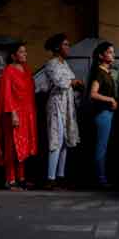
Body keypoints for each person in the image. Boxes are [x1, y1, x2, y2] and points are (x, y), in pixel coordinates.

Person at [0, 43, 37, 190]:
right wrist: (13, 114)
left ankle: (21, 178)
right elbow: (7, 94)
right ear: (13, 56)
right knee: (12, 147)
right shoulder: (8, 71)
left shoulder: (26, 70)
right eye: (21, 52)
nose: (25, 54)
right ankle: (10, 179)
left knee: (24, 146)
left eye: (25, 51)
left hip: (26, 114)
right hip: (12, 114)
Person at [43, 34, 82, 187]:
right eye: (65, 44)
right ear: (57, 47)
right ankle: (50, 177)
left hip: (67, 104)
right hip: (56, 104)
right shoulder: (51, 64)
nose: (68, 47)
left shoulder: (64, 64)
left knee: (65, 140)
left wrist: (76, 85)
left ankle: (60, 175)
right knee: (56, 138)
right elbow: (60, 82)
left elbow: (70, 82)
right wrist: (73, 82)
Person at [88, 41, 118, 187]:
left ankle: (102, 177)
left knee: (104, 146)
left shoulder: (106, 72)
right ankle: (100, 179)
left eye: (113, 52)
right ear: (101, 55)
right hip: (102, 114)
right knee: (101, 147)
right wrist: (110, 99)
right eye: (109, 52)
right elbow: (92, 94)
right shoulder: (99, 72)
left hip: (108, 113)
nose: (113, 55)